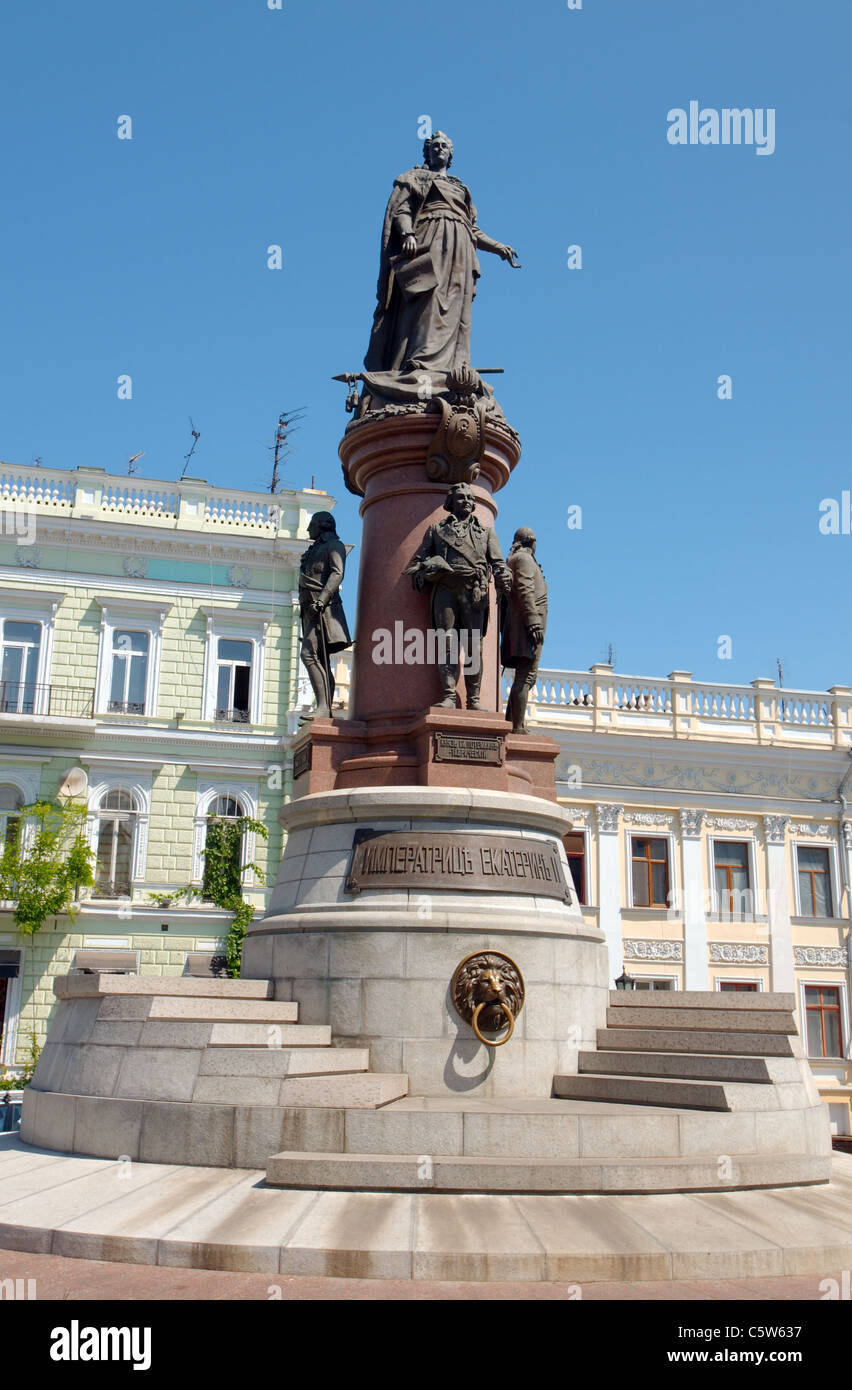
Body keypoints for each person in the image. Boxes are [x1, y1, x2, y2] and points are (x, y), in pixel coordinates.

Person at [365, 131, 519, 377]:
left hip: (460, 248)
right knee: (428, 299)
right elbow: (401, 211)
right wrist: (407, 234)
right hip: (429, 241)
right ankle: (418, 361)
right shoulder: (416, 178)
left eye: (444, 146)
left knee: (456, 305)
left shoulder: (460, 188)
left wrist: (498, 247)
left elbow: (472, 228)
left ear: (450, 155)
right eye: (434, 146)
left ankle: (452, 365)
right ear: (427, 153)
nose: (439, 149)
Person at [405, 483, 511, 710]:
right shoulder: (436, 530)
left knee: (474, 646)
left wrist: (505, 575)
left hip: (474, 591)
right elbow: (415, 566)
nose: (466, 501)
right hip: (445, 590)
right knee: (447, 643)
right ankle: (448, 696)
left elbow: (499, 564)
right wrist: (431, 567)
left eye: (469, 498)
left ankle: (473, 699)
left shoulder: (486, 534)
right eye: (460, 497)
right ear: (450, 503)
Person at [299, 512, 351, 718]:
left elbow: (337, 573)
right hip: (308, 609)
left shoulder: (334, 545)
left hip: (324, 609)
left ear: (323, 525)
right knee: (320, 658)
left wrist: (322, 600)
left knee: (309, 654)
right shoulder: (313, 549)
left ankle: (323, 707)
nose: (308, 529)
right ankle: (324, 708)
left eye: (311, 524)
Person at [500, 527, 547, 734]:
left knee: (526, 677)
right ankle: (517, 727)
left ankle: (513, 723)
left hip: (522, 625)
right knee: (526, 676)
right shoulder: (524, 560)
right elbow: (525, 589)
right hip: (526, 627)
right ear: (531, 542)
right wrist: (533, 622)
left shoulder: (518, 559)